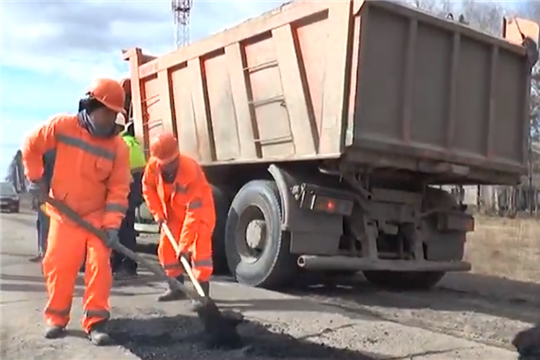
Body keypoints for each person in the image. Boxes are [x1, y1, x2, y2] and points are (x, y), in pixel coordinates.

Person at [22, 78, 131, 346]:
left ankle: (96, 323)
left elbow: (118, 190)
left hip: (96, 215)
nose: (110, 119)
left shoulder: (118, 147)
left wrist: (112, 226)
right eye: (106, 112)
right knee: (58, 265)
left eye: (114, 114)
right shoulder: (62, 126)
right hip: (64, 213)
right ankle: (57, 319)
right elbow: (31, 146)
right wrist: (36, 179)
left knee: (99, 267)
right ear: (90, 105)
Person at [141, 133, 215, 309]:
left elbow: (193, 213)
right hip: (172, 213)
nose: (168, 167)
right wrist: (157, 214)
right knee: (166, 249)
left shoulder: (190, 170)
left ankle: (201, 293)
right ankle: (176, 287)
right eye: (164, 164)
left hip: (199, 212)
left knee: (200, 252)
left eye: (172, 162)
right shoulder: (153, 166)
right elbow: (148, 188)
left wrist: (184, 245)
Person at [110, 114, 146, 279]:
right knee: (124, 227)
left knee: (123, 229)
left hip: (127, 189)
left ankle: (126, 266)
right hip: (133, 189)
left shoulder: (120, 144)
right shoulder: (131, 141)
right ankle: (121, 264)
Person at [28, 150, 56, 263]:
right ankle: (43, 252)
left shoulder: (50, 151)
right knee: (42, 223)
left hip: (50, 196)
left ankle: (46, 253)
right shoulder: (46, 150)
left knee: (46, 224)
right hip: (45, 196)